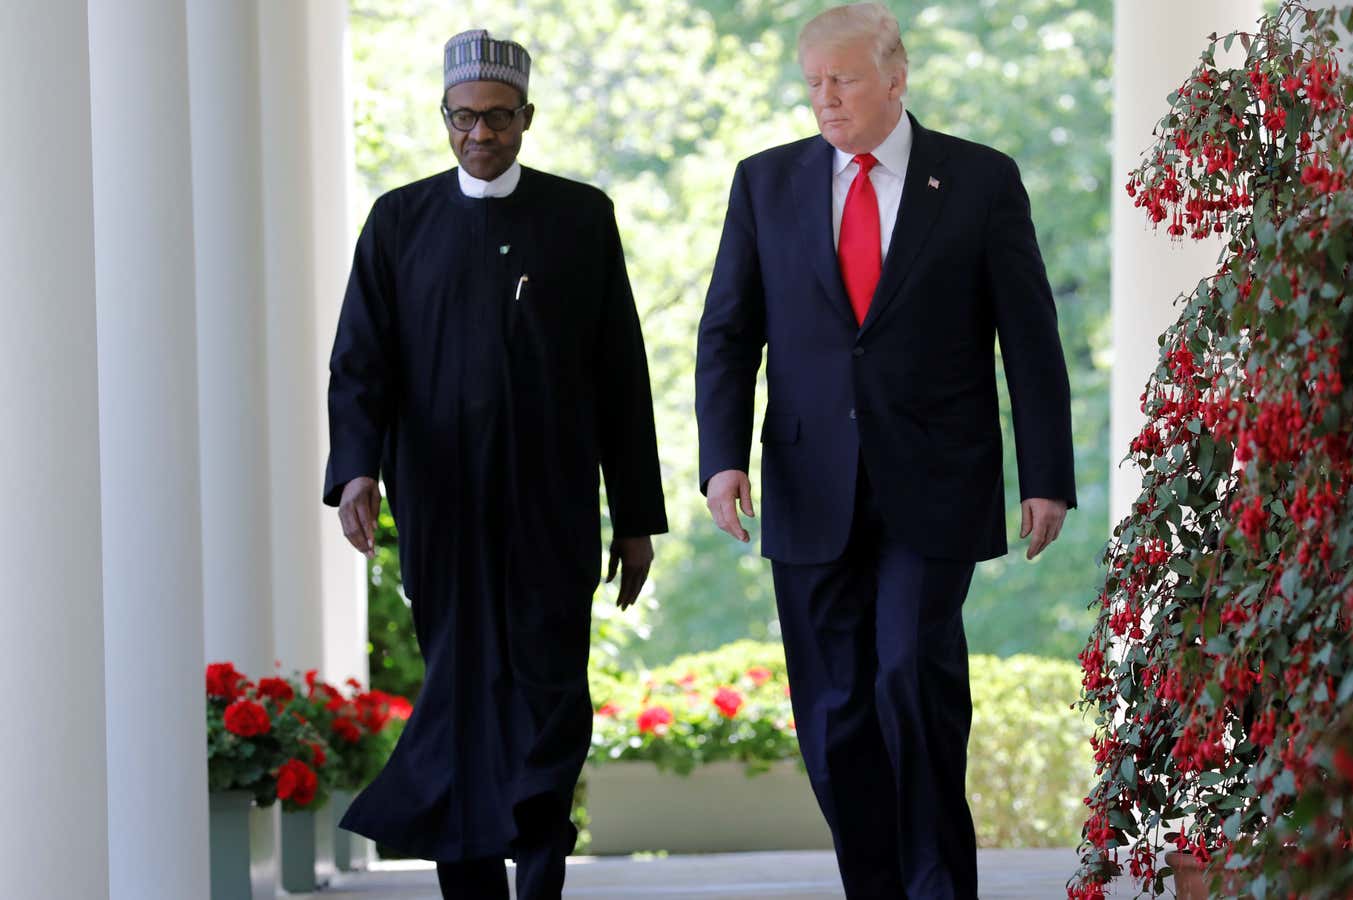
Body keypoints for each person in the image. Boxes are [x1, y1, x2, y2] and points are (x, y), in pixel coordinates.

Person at [695, 4, 1077, 897]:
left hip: (937, 480)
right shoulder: (766, 184)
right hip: (805, 479)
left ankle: (939, 885)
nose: (825, 99)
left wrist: (1046, 476)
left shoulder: (979, 181)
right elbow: (727, 333)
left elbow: (1029, 338)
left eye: (844, 80)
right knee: (833, 713)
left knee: (910, 676)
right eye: (814, 83)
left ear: (896, 78)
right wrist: (721, 458)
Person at [324, 29, 667, 900]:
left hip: (551, 507)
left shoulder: (581, 217)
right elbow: (361, 363)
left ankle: (542, 864)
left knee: (551, 692)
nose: (481, 133)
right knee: (459, 694)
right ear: (444, 117)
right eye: (464, 117)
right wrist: (357, 470)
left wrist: (634, 517)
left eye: (499, 117)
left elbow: (620, 373)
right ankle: (469, 878)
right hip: (442, 508)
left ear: (527, 117)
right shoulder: (399, 220)